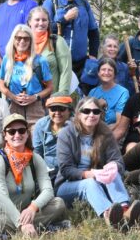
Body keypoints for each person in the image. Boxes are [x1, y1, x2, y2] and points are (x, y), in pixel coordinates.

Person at [0, 114, 68, 236]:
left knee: (58, 204)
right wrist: (21, 223)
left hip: (25, 211)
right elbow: (1, 196)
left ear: (27, 134)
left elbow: (48, 190)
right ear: (5, 136)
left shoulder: (34, 158)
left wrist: (33, 207)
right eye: (11, 132)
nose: (17, 135)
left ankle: (18, 232)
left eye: (21, 130)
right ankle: (37, 228)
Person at [55, 97, 135, 229]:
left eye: (95, 111)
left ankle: (125, 210)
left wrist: (113, 167)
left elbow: (118, 161)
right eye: (86, 111)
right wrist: (90, 174)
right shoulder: (66, 134)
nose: (91, 115)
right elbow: (66, 169)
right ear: (78, 113)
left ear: (100, 114)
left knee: (112, 172)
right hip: (67, 185)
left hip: (97, 180)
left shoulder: (105, 133)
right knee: (90, 183)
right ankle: (110, 216)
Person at [42, 0, 100, 75]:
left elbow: (93, 32)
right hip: (58, 64)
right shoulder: (50, 3)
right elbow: (44, 30)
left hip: (82, 64)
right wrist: (65, 19)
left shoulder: (83, 3)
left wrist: (93, 55)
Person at [0, 24, 54, 124]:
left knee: (35, 137)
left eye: (26, 39)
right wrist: (12, 97)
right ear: (13, 39)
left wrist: (35, 97)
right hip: (14, 106)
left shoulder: (40, 61)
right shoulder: (7, 60)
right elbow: (1, 85)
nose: (22, 41)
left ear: (31, 41)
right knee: (15, 136)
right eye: (18, 38)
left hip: (35, 107)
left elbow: (50, 87)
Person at [25, 7, 73, 95]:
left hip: (52, 99)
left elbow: (65, 70)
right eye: (37, 20)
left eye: (44, 20)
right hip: (28, 100)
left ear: (48, 23)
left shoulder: (57, 41)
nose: (41, 23)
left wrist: (62, 94)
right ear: (29, 22)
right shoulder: (22, 43)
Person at [32, 93, 73, 179]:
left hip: (69, 170)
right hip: (46, 170)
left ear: (69, 110)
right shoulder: (40, 124)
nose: (57, 113)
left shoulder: (76, 126)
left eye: (62, 109)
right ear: (48, 110)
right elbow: (37, 151)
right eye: (53, 109)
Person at [87, 58, 130, 129]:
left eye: (110, 70)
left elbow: (119, 122)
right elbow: (86, 115)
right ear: (98, 73)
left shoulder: (123, 92)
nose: (106, 73)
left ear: (115, 74)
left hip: (112, 132)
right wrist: (97, 104)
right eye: (103, 69)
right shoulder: (92, 92)